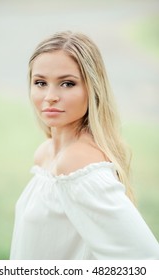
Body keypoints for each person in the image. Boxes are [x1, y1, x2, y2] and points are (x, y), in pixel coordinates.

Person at [10, 31, 159, 260]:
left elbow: (145, 260)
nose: (50, 96)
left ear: (92, 88)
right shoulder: (45, 153)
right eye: (40, 82)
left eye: (67, 83)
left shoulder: (78, 163)